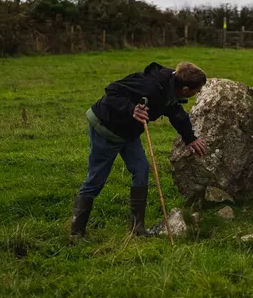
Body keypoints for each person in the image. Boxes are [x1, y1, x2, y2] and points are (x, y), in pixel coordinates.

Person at [70, 60, 208, 237]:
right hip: (106, 128)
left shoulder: (170, 88)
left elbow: (175, 112)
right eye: (196, 91)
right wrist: (131, 109)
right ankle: (77, 231)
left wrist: (190, 139)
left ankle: (137, 228)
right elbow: (112, 91)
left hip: (129, 133)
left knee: (142, 169)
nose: (197, 94)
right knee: (96, 178)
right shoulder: (149, 86)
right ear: (186, 90)